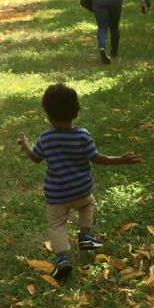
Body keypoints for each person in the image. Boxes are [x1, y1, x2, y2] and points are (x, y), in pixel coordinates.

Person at [18, 83, 141, 281]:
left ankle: (62, 258)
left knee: (57, 225)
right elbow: (97, 158)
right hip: (82, 190)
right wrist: (121, 159)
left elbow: (36, 158)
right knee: (88, 205)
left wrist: (26, 145)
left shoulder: (45, 138)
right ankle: (85, 236)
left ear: (48, 114)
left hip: (57, 196)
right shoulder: (83, 136)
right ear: (76, 112)